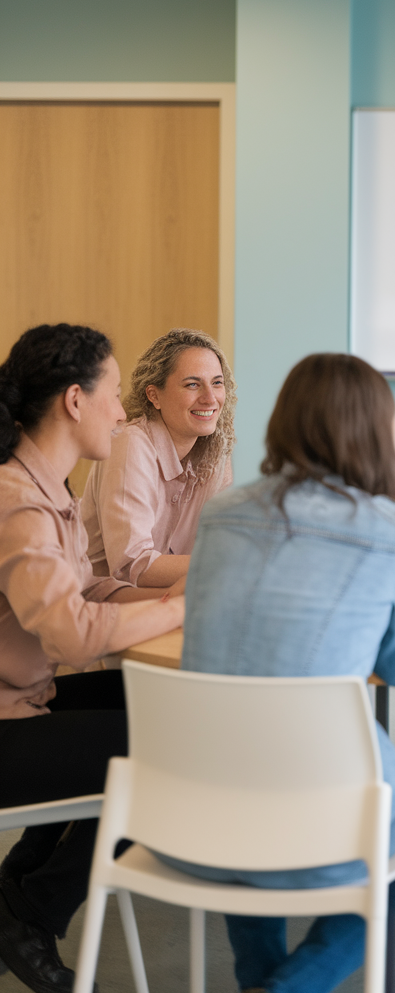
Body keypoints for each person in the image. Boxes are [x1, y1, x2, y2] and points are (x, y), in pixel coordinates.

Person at [166, 352, 395, 993]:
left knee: (245, 821)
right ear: (375, 428)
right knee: (386, 891)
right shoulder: (393, 527)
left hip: (189, 809)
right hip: (330, 816)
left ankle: (258, 979)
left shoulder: (223, 512)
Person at [0, 324, 185, 993]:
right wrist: (176, 610)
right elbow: (72, 634)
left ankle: (18, 892)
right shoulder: (18, 502)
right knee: (173, 757)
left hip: (27, 698)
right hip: (7, 723)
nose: (120, 411)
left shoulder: (47, 483)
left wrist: (173, 586)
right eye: (112, 394)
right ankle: (30, 909)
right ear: (75, 401)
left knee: (171, 711)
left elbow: (88, 590)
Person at [83, 328, 235, 592]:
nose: (210, 398)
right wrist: (227, 563)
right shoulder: (130, 443)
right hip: (100, 599)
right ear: (154, 395)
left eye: (217, 383)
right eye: (192, 384)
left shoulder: (216, 452)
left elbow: (219, 543)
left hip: (167, 595)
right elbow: (132, 564)